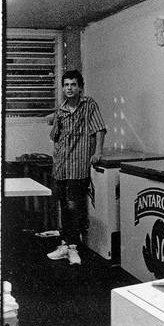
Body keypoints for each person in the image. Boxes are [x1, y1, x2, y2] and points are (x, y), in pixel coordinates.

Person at [46, 69, 106, 266]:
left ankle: (72, 248)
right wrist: (54, 120)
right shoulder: (61, 109)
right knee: (64, 205)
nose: (69, 88)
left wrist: (98, 152)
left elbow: (99, 129)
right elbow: (55, 136)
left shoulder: (89, 105)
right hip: (61, 165)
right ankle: (65, 245)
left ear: (80, 87)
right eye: (66, 85)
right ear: (63, 88)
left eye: (73, 84)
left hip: (78, 164)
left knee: (74, 206)